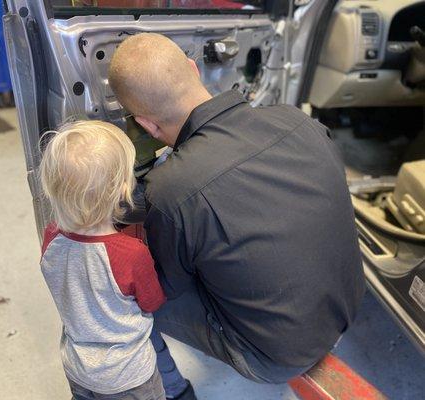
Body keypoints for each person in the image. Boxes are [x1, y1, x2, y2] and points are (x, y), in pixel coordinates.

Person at [108, 33, 366, 384]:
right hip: (347, 309)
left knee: (129, 292)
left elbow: (165, 288)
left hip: (276, 356)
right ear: (194, 70)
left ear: (147, 125)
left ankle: (171, 388)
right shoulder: (299, 121)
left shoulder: (170, 191)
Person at [39, 120, 168, 400]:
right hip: (128, 377)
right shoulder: (131, 253)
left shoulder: (51, 239)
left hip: (78, 368)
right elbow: (152, 302)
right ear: (124, 190)